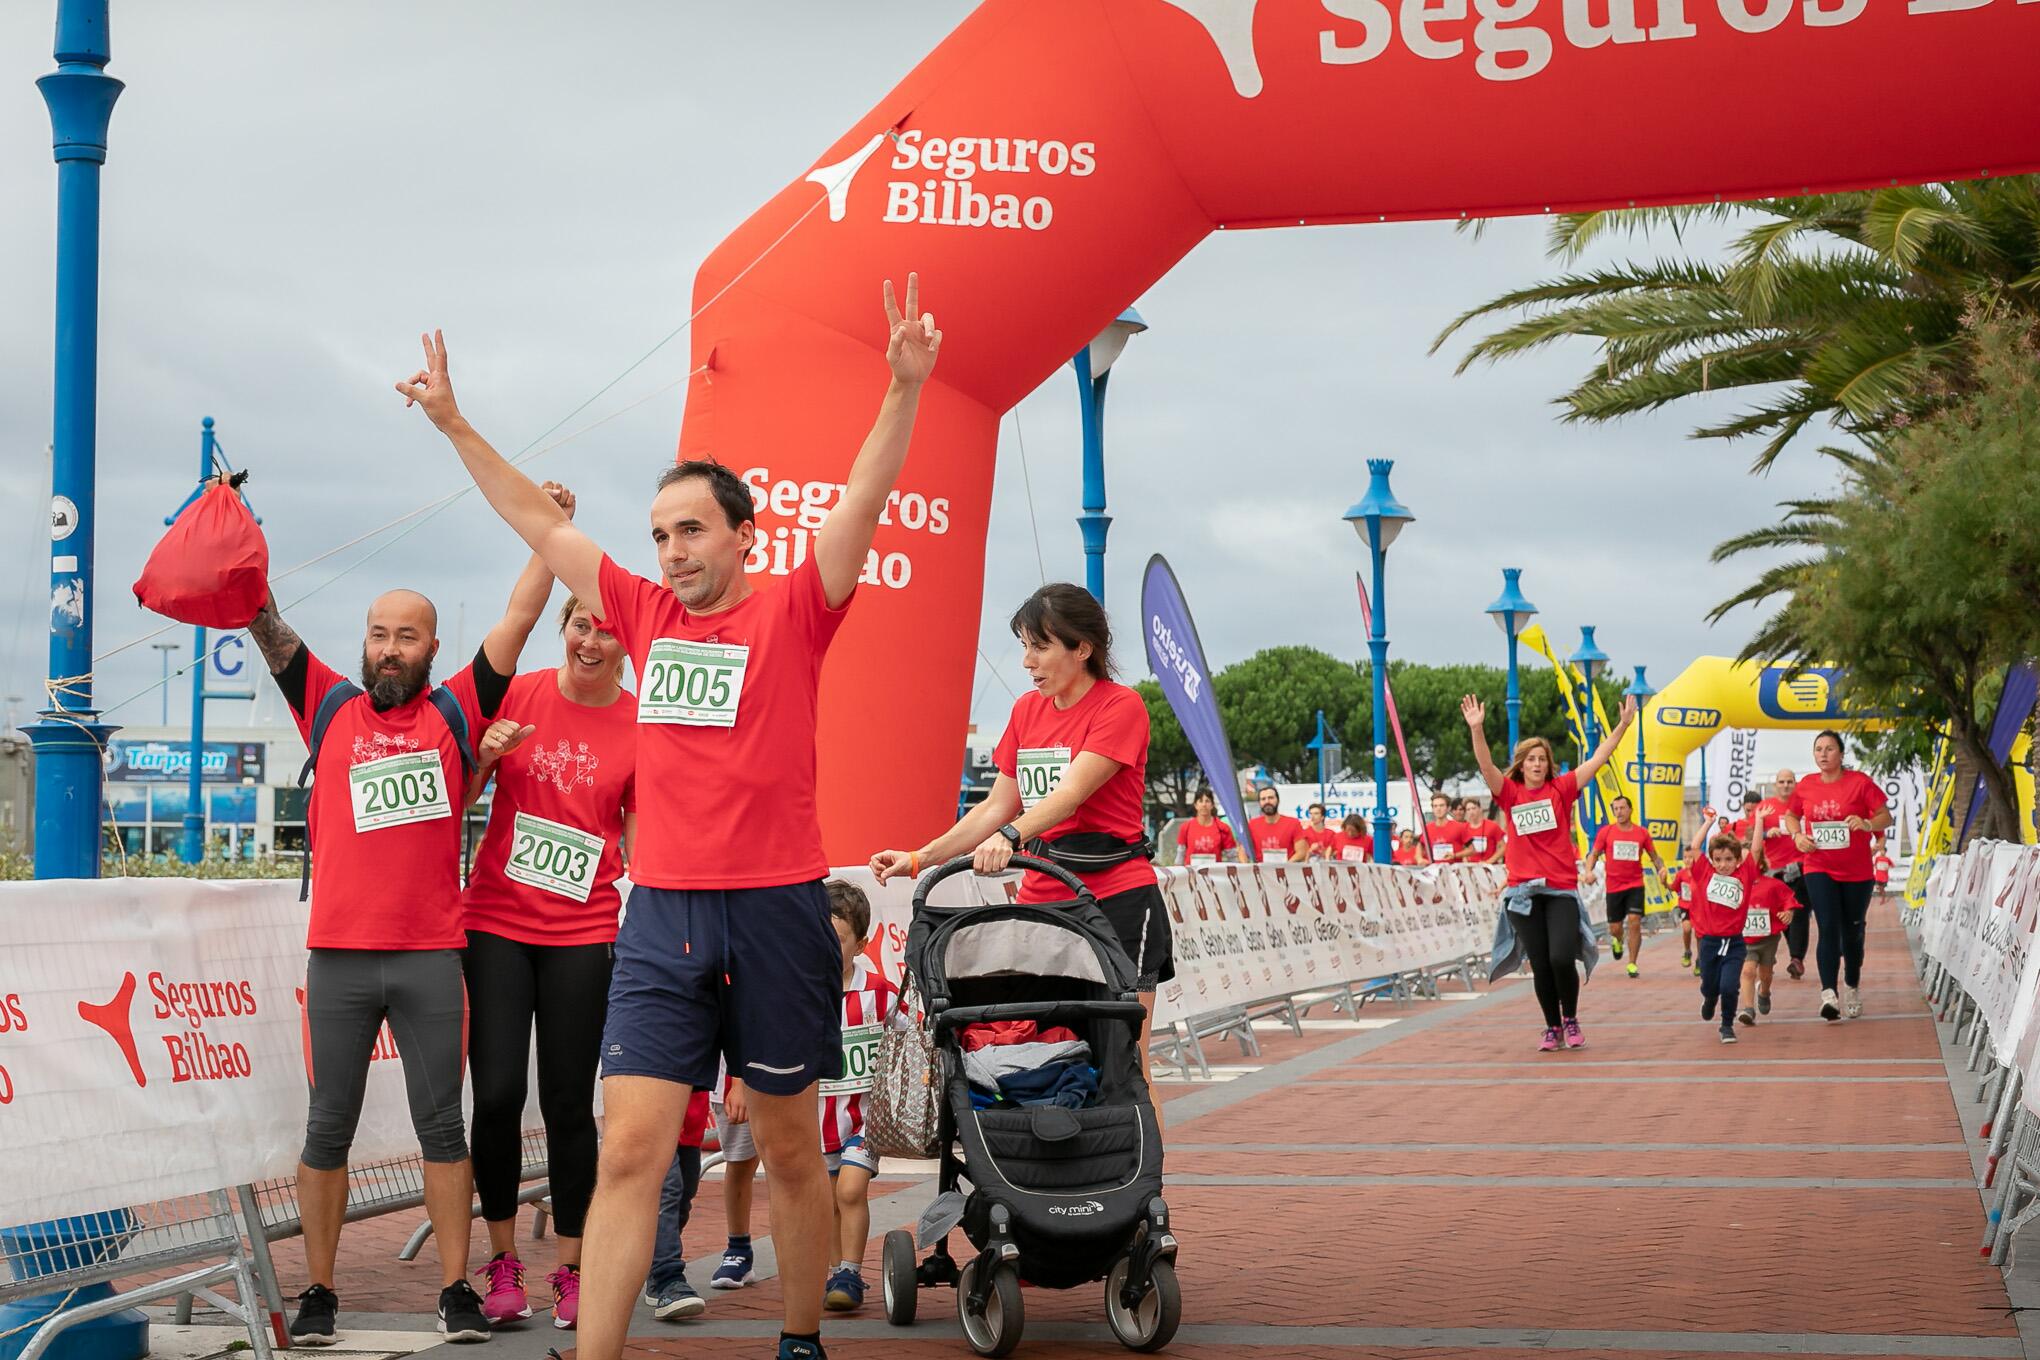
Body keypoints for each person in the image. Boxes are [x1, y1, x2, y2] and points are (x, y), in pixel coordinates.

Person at [398, 274, 942, 1360]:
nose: (672, 551)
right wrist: (456, 422)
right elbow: (532, 518)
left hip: (781, 910)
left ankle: (797, 1339)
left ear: (744, 533)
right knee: (631, 1146)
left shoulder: (795, 608)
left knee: (788, 1145)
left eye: (691, 529)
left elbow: (865, 499)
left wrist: (905, 386)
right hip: (664, 917)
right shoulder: (641, 612)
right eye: (658, 535)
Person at [245, 526, 558, 1346]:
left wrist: (549, 535)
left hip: (428, 958)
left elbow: (522, 619)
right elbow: (265, 621)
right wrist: (237, 548)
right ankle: (319, 1291)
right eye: (378, 634)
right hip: (340, 960)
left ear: (431, 648)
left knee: (443, 1130)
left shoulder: (456, 711)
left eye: (405, 636)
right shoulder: (328, 704)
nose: (388, 650)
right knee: (326, 1129)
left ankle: (454, 1289)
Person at [870, 584, 1173, 1113]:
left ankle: (1138, 1189)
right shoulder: (1027, 711)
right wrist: (920, 857)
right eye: (1024, 646)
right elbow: (994, 807)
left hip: (1117, 899)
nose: (1028, 661)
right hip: (1045, 899)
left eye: (1040, 646)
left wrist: (1011, 837)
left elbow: (1071, 792)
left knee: (1125, 1063)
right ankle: (1059, 1178)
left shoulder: (1121, 706)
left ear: (1082, 648)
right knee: (1047, 1048)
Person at [460, 567, 637, 1331]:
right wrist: (483, 757)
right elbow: (458, 800)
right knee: (497, 1095)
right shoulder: (519, 693)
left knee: (570, 1103)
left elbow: (644, 831)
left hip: (583, 928)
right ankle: (501, 1262)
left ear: (632, 645)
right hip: (496, 920)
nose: (592, 641)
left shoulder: (641, 722)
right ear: (563, 625)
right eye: (581, 624)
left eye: (609, 630)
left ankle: (571, 1269)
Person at [1464, 692, 1637, 1051]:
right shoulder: (1509, 793)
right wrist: (1477, 730)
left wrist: (1622, 726)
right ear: (1522, 765)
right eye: (1531, 759)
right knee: (1541, 964)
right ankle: (1552, 1027)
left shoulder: (1561, 789)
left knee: (1561, 957)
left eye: (1543, 759)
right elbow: (1486, 768)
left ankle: (1571, 1018)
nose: (1538, 764)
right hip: (1522, 893)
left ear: (1548, 765)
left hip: (1559, 889)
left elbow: (1599, 758)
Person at [819, 880, 909, 1313]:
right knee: (827, 1198)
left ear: (862, 944)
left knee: (851, 1191)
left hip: (863, 1121)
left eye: (835, 939)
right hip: (814, 1121)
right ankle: (835, 1270)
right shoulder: (798, 994)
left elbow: (911, 1037)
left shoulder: (880, 993)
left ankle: (851, 1272)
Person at [1783, 730, 1893, 1022]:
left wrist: (1867, 823)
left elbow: (1886, 816)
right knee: (1827, 926)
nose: (1823, 754)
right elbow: (1791, 815)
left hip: (1857, 871)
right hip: (1818, 865)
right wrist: (1797, 836)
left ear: (1841, 754)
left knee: (1852, 932)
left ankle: (1852, 985)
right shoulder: (1806, 785)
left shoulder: (1860, 783)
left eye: (1829, 748)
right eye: (1818, 749)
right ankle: (1828, 994)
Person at [643, 1090, 714, 1322]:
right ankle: (667, 1276)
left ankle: (655, 1268)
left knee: (685, 1193)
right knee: (668, 1189)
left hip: (691, 1117)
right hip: (654, 1109)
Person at [1687, 832, 1760, 1044]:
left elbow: (1755, 851)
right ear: (1712, 860)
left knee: (1729, 986)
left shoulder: (1744, 875)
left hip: (1735, 942)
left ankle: (1727, 1025)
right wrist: (1708, 822)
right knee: (1709, 985)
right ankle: (1709, 999)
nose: (1723, 865)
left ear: (1738, 860)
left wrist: (1759, 821)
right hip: (1710, 942)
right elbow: (1694, 845)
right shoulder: (1706, 873)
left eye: (1728, 859)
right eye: (1718, 860)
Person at [1585, 795, 1666, 978]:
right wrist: (1589, 871)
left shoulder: (1641, 833)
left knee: (1634, 921)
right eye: (1616, 809)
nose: (1619, 812)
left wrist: (1662, 869)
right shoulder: (1606, 832)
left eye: (1622, 808)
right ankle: (1618, 940)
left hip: (1635, 884)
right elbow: (1594, 854)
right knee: (1615, 927)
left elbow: (1655, 857)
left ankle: (1632, 963)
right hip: (1614, 886)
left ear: (1630, 810)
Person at [1747, 770, 1812, 980]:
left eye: (1790, 782)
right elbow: (1749, 836)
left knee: (1799, 912)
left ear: (1795, 783)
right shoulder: (1764, 807)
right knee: (1780, 916)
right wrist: (1767, 833)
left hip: (1801, 866)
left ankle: (1796, 959)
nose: (1786, 785)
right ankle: (1780, 954)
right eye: (1781, 782)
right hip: (1774, 871)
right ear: (1775, 785)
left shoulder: (1804, 804)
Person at [707, 1071, 759, 1291]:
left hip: (796, 1072)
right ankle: (738, 1248)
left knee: (793, 1171)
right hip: (735, 1075)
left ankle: (834, 1262)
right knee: (739, 1161)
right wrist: (740, 1084)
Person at [1734, 846, 1797, 1028]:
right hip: (1744, 939)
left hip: (1768, 939)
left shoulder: (1772, 884)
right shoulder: (1732, 886)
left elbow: (1788, 899)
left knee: (1766, 974)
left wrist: (1788, 912)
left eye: (1748, 861)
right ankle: (1747, 1009)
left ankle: (1764, 992)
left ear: (1760, 863)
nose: (1744, 865)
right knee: (1747, 971)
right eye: (1740, 861)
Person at [1175, 789, 1238, 865]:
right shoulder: (1186, 827)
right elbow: (1180, 854)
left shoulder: (1222, 828)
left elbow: (1232, 857)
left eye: (1207, 801)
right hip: (1192, 875)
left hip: (1215, 874)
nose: (1204, 804)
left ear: (1212, 805)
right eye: (1200, 801)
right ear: (1195, 805)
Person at [1246, 786, 1306, 863]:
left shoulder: (1293, 823)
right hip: (1261, 872)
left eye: (1271, 798)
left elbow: (1301, 852)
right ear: (1259, 803)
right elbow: (1242, 850)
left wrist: (1284, 866)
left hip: (1287, 871)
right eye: (1263, 799)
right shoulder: (1252, 824)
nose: (1267, 801)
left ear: (1278, 800)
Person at [1425, 792, 1467, 866]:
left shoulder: (1460, 827)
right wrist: (1420, 859)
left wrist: (1455, 855)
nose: (1438, 808)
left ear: (1448, 808)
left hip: (1454, 871)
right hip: (1435, 872)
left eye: (1441, 805)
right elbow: (1419, 849)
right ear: (1432, 809)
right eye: (1435, 806)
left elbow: (1472, 849)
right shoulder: (1427, 828)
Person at [1458, 798, 1505, 865]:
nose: (1471, 812)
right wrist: (1464, 859)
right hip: (1470, 867)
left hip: (1489, 867)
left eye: (1474, 808)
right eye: (1468, 809)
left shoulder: (1492, 826)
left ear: (1480, 809)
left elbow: (1503, 847)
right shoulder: (1463, 828)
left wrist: (1489, 862)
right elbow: (1461, 848)